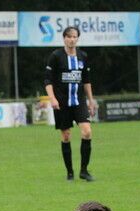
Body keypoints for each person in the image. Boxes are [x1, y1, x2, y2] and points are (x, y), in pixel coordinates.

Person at [45, 26, 98, 182]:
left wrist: (91, 100)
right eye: (69, 36)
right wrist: (52, 98)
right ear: (64, 38)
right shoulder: (55, 56)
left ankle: (84, 171)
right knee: (66, 135)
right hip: (62, 102)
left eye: (74, 36)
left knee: (87, 132)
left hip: (79, 101)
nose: (72, 39)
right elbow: (47, 80)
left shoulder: (83, 56)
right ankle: (69, 172)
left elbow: (86, 80)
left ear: (77, 38)